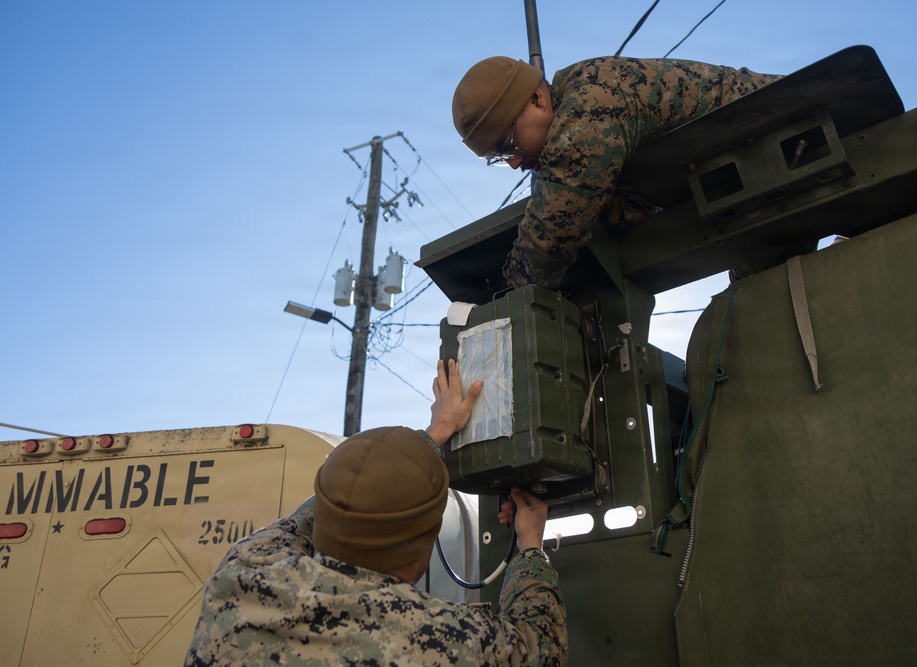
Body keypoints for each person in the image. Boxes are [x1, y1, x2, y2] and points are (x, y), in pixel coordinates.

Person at [185, 359, 568, 666]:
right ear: (423, 549)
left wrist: (431, 436)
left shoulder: (242, 574)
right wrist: (530, 544)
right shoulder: (438, 640)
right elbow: (540, 648)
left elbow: (331, 503)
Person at [452, 55, 782, 289]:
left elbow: (552, 239)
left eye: (508, 145)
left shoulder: (589, 103)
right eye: (498, 158)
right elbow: (635, 207)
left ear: (537, 99)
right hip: (756, 183)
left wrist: (506, 294)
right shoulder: (580, 119)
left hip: (784, 136)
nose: (513, 163)